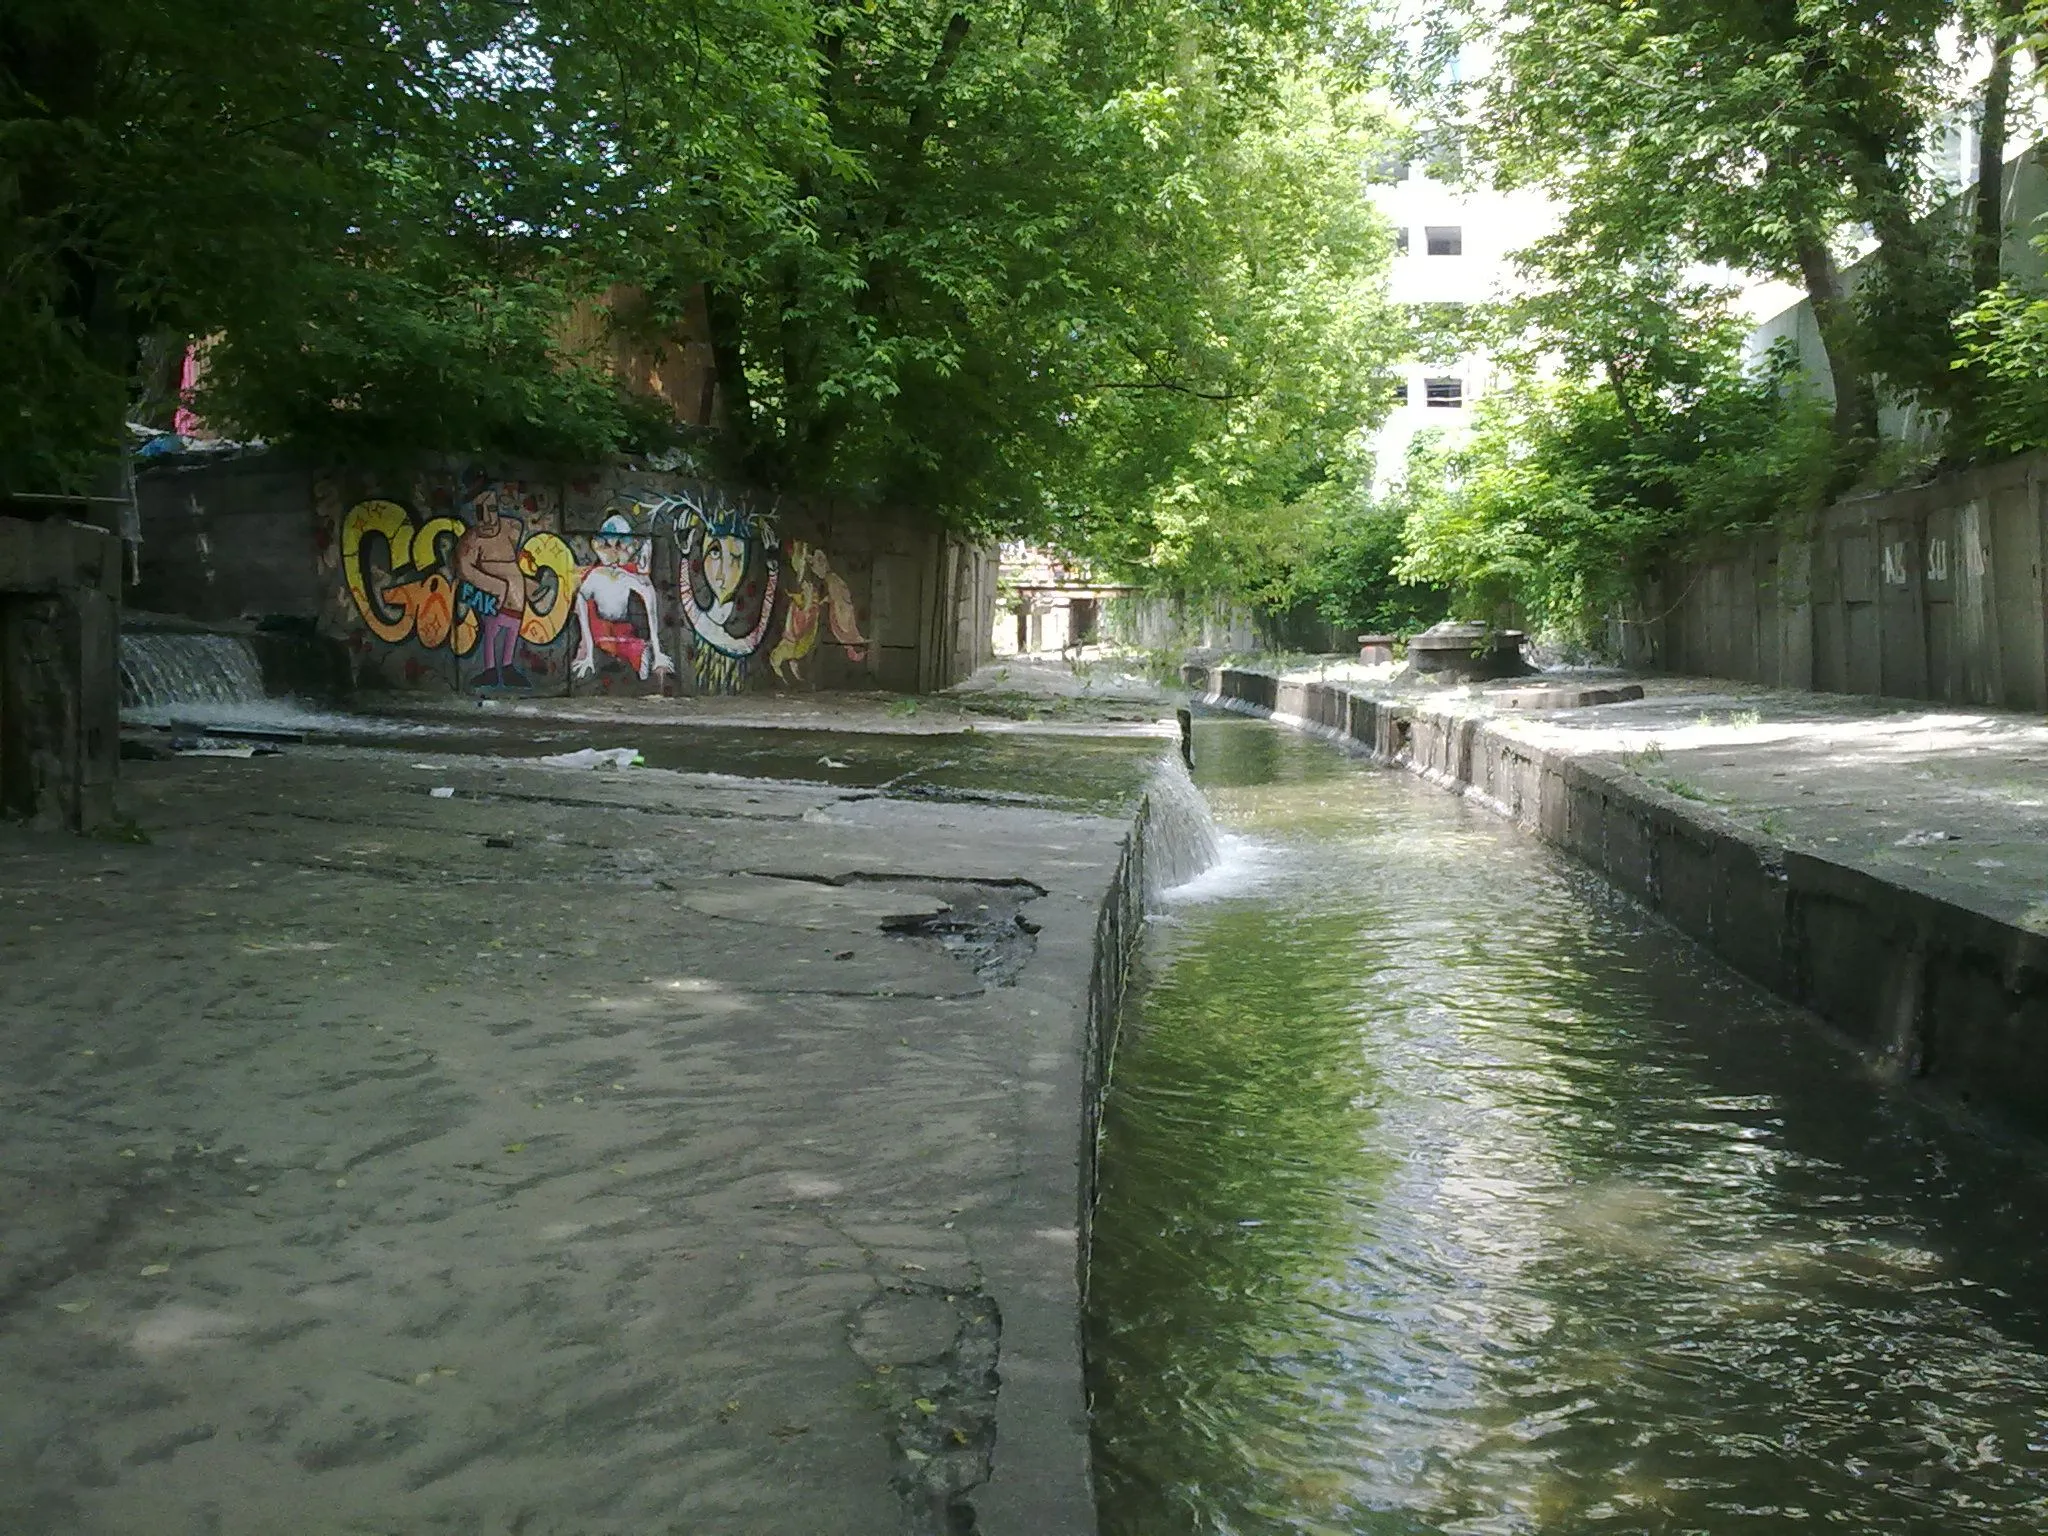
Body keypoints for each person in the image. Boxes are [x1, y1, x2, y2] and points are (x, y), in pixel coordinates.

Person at [572, 513, 674, 681]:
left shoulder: (627, 576)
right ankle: (636, 653)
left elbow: (649, 599)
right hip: (601, 626)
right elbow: (582, 602)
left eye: (620, 546)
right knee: (603, 637)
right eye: (607, 546)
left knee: (625, 644)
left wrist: (658, 652)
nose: (613, 554)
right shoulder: (596, 576)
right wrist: (588, 653)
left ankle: (639, 654)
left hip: (622, 626)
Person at [452, 483, 530, 687]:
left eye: (492, 509)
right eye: (480, 511)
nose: (487, 518)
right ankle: (489, 669)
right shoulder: (472, 539)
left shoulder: (511, 528)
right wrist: (496, 587)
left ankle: (507, 666)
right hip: (494, 598)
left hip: (516, 599)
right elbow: (464, 568)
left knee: (512, 631)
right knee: (491, 631)